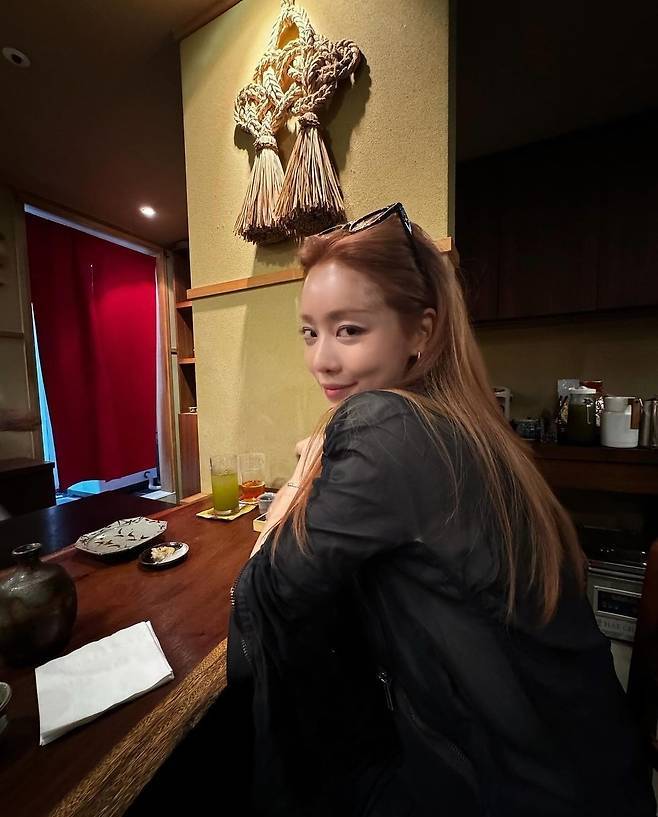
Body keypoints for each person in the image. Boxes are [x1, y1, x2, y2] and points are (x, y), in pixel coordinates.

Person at [229, 203, 655, 817]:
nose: (321, 360)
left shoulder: (385, 423)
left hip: (516, 789)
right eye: (309, 332)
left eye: (349, 330)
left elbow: (269, 588)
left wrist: (300, 482)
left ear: (421, 332)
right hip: (593, 770)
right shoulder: (461, 422)